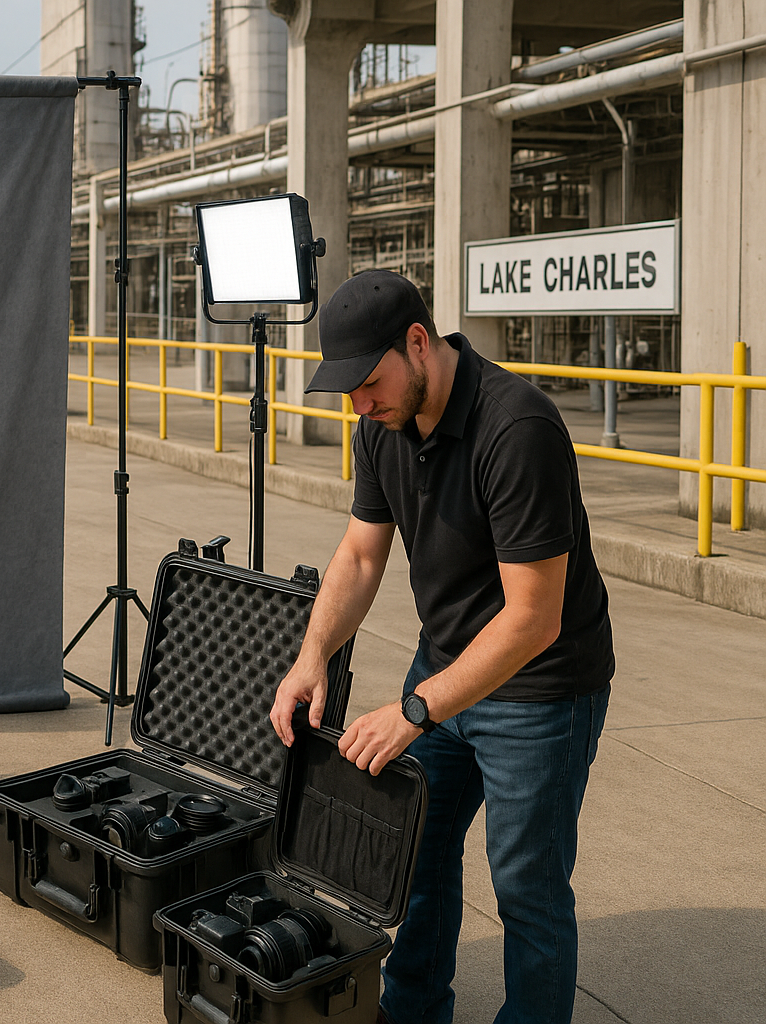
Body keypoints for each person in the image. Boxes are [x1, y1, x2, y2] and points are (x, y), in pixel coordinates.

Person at [269, 270, 614, 1024]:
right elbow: (361, 555)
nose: (361, 403)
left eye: (370, 382)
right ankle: (415, 1012)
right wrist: (312, 656)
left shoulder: (517, 429)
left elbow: (533, 620)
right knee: (417, 857)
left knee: (527, 889)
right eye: (350, 391)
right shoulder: (383, 424)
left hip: (542, 686)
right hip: (447, 667)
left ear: (417, 342)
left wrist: (414, 710)